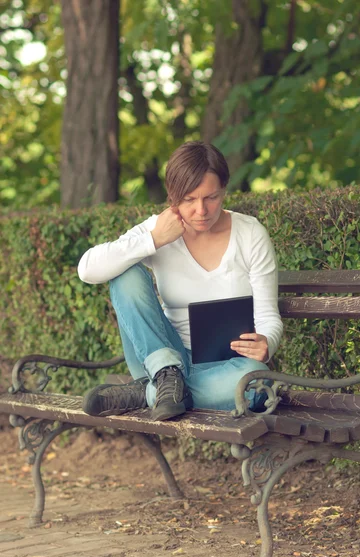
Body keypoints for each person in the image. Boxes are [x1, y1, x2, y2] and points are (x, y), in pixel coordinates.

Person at [77, 141, 283, 421]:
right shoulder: (159, 229)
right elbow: (88, 269)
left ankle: (149, 394)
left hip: (228, 366)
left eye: (211, 197)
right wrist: (153, 240)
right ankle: (165, 376)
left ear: (224, 190)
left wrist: (267, 342)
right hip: (158, 356)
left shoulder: (249, 234)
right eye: (189, 200)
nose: (201, 210)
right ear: (173, 197)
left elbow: (268, 315)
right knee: (125, 272)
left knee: (253, 381)